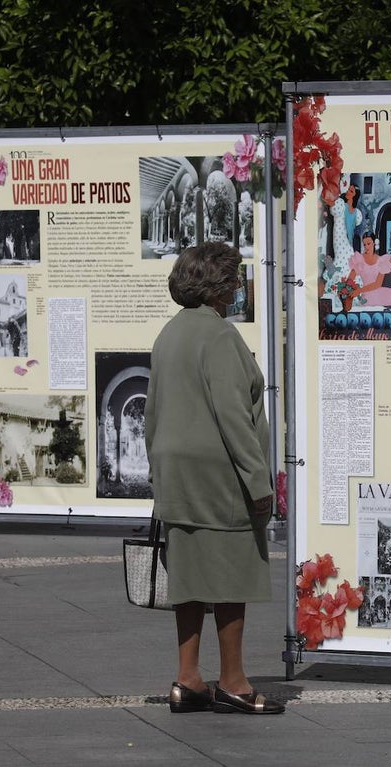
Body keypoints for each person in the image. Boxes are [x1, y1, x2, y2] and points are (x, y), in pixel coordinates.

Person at [145, 242, 284, 715]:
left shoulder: (169, 334)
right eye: (235, 277)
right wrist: (259, 482)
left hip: (176, 474)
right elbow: (234, 416)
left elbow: (152, 412)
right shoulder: (220, 336)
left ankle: (187, 679)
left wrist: (158, 475)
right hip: (218, 475)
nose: (239, 285)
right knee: (230, 576)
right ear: (218, 286)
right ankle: (234, 682)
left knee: (187, 579)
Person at [347, 233, 391, 307]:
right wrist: (347, 290)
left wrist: (359, 290)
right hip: (367, 297)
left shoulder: (382, 261)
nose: (366, 247)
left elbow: (377, 284)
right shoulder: (359, 259)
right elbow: (349, 280)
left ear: (374, 243)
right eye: (364, 244)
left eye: (368, 243)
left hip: (380, 295)